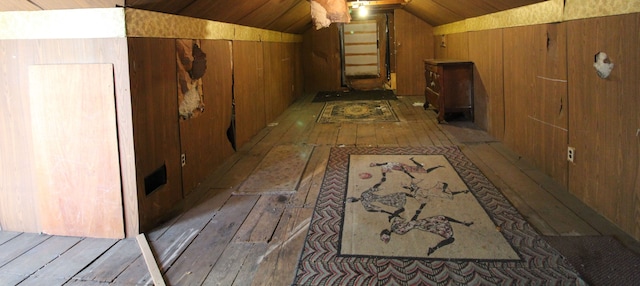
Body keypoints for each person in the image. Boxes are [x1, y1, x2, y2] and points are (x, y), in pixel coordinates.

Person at [379, 203, 473, 256]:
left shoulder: (395, 226)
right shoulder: (398, 229)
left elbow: (402, 215)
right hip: (422, 224)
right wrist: (419, 209)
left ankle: (463, 223)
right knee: (444, 225)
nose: (386, 231)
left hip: (421, 224)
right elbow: (412, 222)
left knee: (443, 220)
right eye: (386, 232)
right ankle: (434, 248)